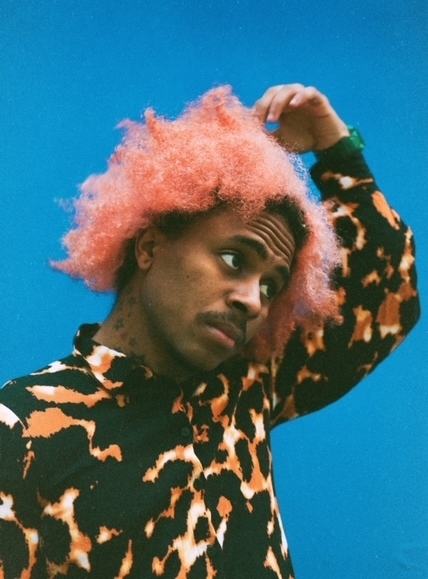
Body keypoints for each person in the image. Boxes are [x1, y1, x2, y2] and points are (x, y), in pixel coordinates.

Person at [0, 84, 420, 578]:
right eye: (234, 259)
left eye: (272, 285)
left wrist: (338, 152)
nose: (253, 300)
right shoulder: (23, 426)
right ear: (150, 247)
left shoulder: (246, 390)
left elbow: (389, 289)